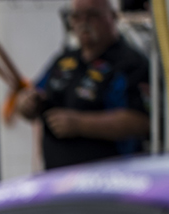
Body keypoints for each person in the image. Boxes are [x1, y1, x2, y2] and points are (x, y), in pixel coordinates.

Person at [14, 0, 149, 171]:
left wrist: (79, 124)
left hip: (110, 179)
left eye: (92, 15)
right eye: (76, 16)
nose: (83, 22)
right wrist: (27, 103)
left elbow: (141, 122)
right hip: (58, 179)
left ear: (113, 16)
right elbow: (32, 95)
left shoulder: (130, 63)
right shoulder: (65, 60)